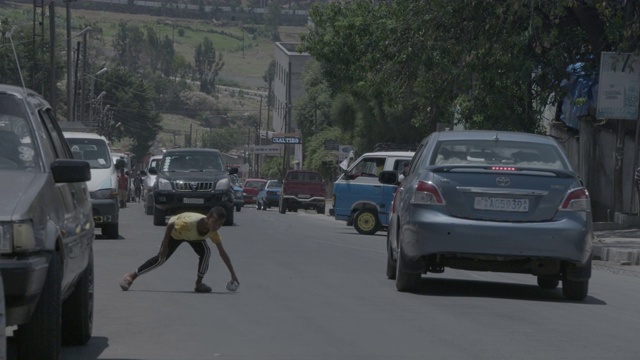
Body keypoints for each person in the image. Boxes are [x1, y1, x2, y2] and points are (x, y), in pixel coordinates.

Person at [118, 206, 239, 293]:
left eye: (220, 224)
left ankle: (199, 284)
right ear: (208, 218)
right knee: (161, 258)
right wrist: (165, 246)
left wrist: (232, 274)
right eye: (215, 222)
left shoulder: (213, 232)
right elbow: (170, 224)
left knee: (206, 252)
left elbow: (222, 252)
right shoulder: (189, 222)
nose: (217, 226)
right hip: (176, 233)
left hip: (194, 237)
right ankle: (131, 276)